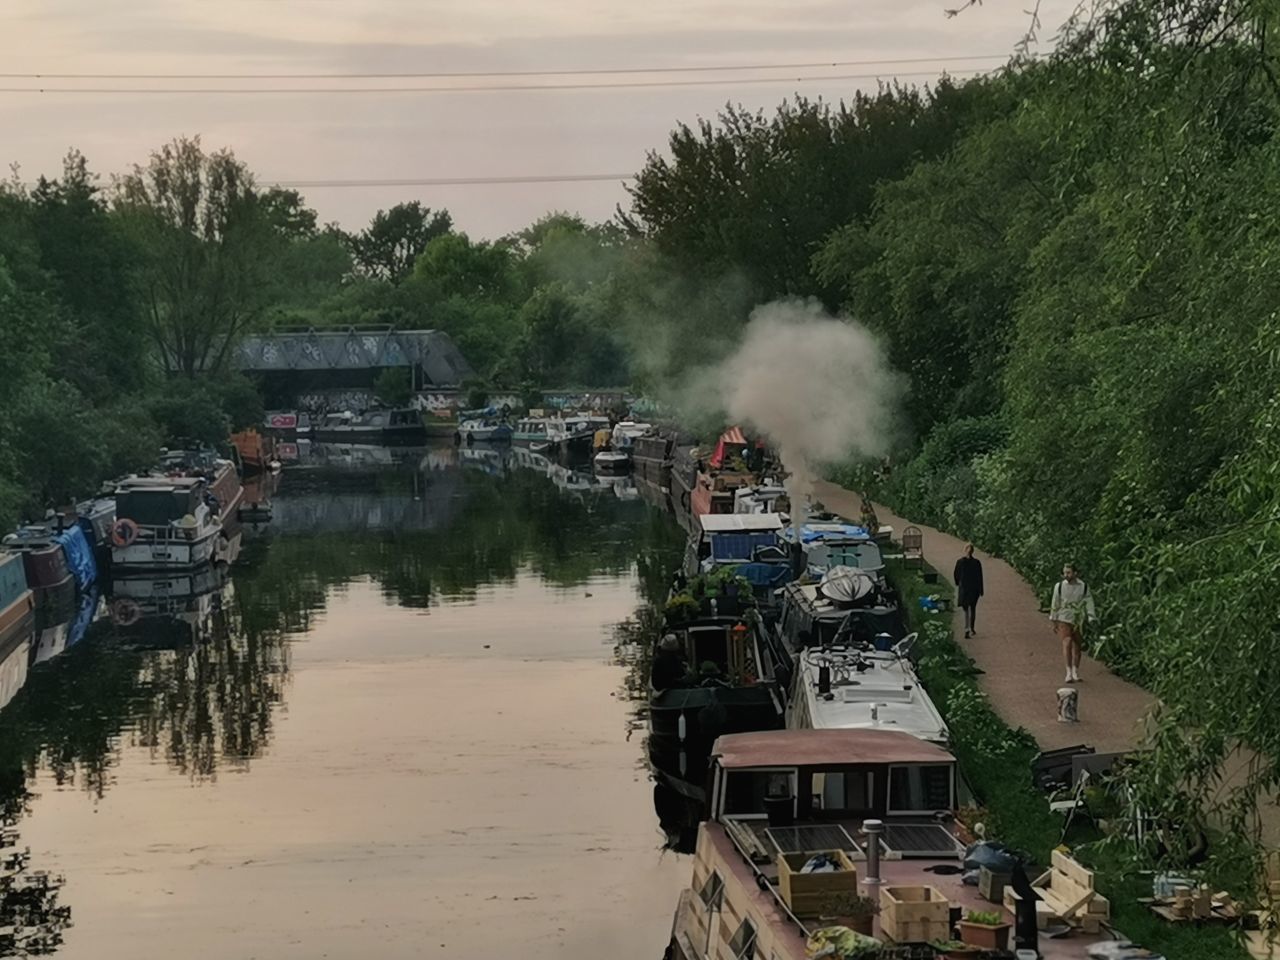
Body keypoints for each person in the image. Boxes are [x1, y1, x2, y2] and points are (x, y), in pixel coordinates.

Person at [1049, 563, 1097, 683]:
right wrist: (1054, 619)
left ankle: (1075, 670)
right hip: (1063, 618)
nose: (1066, 575)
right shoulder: (1059, 586)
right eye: (1065, 572)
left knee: (1077, 645)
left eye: (1068, 572)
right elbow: (1055, 602)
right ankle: (1068, 672)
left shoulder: (1083, 586)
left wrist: (1091, 616)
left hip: (1078, 619)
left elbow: (1088, 601)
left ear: (1075, 573)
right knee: (1067, 641)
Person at [953, 543, 984, 639]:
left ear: (965, 550)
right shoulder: (977, 563)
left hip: (964, 588)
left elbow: (956, 574)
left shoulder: (960, 562)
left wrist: (958, 583)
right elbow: (980, 577)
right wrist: (981, 589)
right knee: (973, 608)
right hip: (974, 589)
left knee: (966, 609)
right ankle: (972, 628)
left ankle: (966, 628)